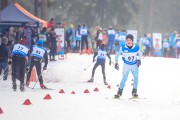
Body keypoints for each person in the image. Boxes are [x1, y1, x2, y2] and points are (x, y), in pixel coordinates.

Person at [114, 34, 142, 98]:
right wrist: (116, 63)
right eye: (127, 40)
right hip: (126, 65)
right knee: (124, 79)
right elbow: (117, 55)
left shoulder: (136, 47)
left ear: (132, 41)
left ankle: (134, 92)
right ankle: (119, 92)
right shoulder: (123, 47)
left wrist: (139, 60)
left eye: (130, 40)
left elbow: (140, 54)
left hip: (134, 65)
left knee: (136, 78)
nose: (128, 41)